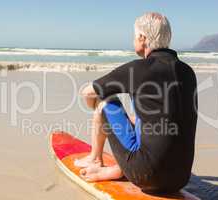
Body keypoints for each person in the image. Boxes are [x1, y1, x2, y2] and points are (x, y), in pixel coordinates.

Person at [75, 12, 198, 194]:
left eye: (134, 36)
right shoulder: (187, 73)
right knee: (149, 116)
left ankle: (95, 158)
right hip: (180, 178)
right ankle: (118, 169)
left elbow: (88, 92)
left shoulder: (138, 69)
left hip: (145, 175)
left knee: (105, 100)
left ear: (142, 38)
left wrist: (96, 113)